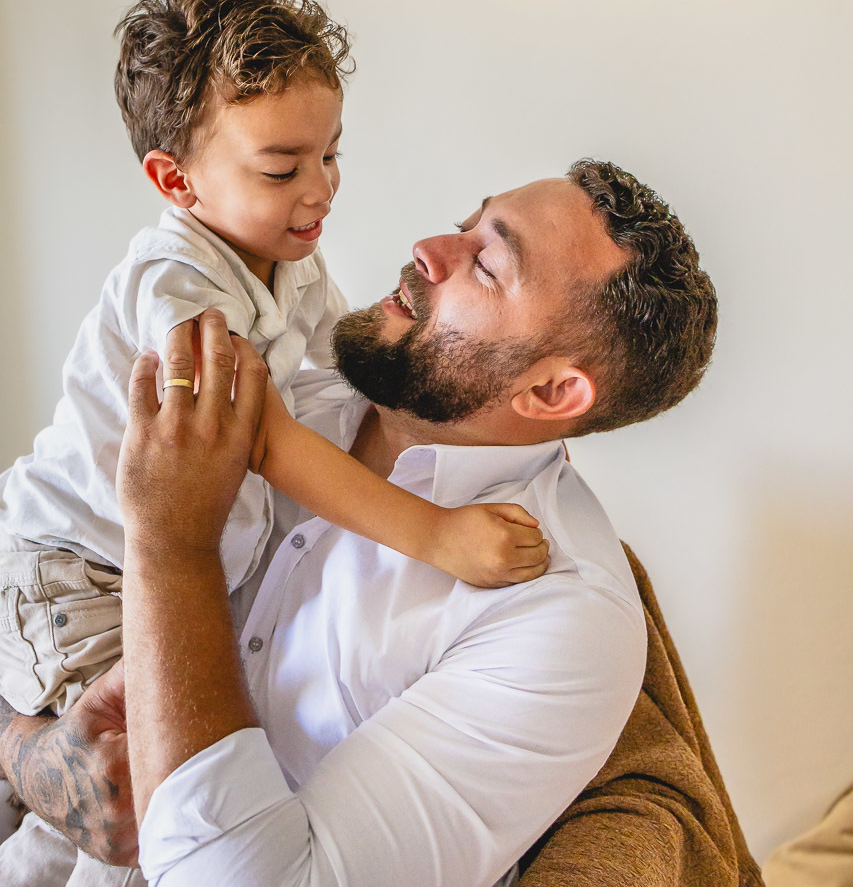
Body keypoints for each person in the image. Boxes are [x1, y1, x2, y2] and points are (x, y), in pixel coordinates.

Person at [0, 159, 717, 887]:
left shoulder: (558, 620)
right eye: (466, 222)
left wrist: (172, 544)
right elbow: (37, 581)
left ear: (553, 389)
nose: (430, 249)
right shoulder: (281, 398)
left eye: (487, 264)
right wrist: (28, 755)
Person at [0, 0, 547, 881]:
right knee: (128, 802)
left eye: (331, 153)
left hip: (158, 559)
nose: (319, 189)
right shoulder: (176, 281)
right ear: (176, 180)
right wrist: (436, 535)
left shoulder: (288, 261)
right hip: (78, 568)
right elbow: (254, 435)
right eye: (281, 168)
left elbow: (343, 365)